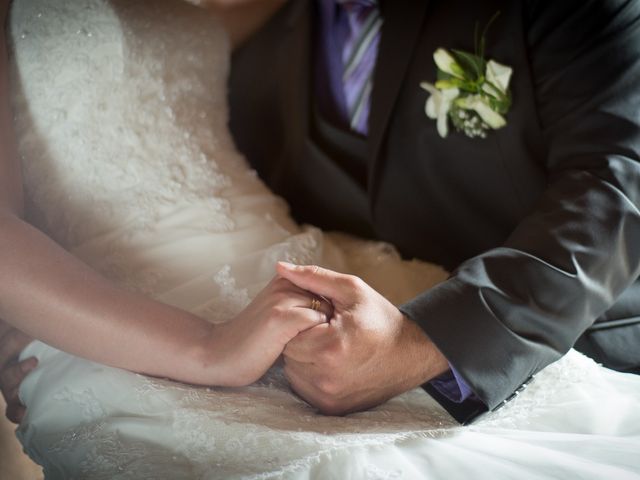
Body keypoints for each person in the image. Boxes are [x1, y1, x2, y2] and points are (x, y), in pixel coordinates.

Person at [0, 0, 639, 478]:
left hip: (359, 284)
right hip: (145, 315)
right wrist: (62, 315)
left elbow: (618, 181)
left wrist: (423, 341)